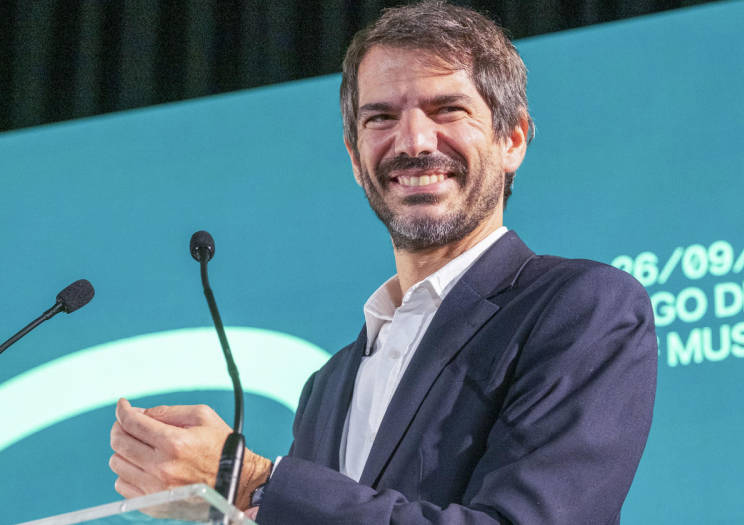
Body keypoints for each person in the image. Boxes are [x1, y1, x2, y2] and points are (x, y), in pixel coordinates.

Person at [108, 2, 657, 523]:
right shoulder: (329, 385)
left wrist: (255, 480)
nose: (414, 141)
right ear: (354, 158)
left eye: (448, 109)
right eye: (380, 118)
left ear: (511, 139)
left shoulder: (583, 307)